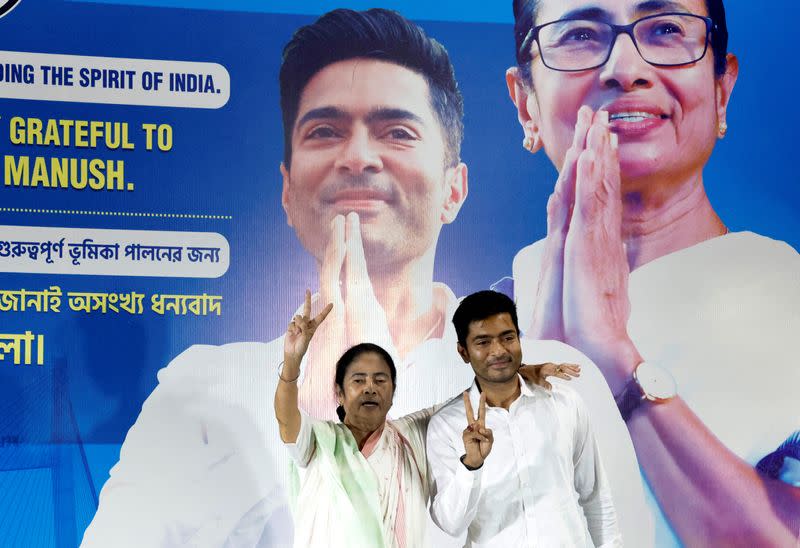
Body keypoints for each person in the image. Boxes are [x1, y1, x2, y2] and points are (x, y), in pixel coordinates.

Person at [81, 9, 591, 547]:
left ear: (454, 190)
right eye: (325, 131)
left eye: (397, 131)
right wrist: (321, 405)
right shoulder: (202, 391)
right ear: (287, 190)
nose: (357, 157)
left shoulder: (532, 389)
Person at [506, 0, 800, 545]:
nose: (625, 68)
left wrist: (613, 358)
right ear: (525, 103)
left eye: (666, 29)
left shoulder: (789, 298)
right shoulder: (473, 327)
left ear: (720, 90)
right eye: (580, 35)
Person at [277, 290, 576, 547]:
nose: (370, 387)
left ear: (393, 393)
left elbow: (473, 396)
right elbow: (287, 419)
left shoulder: (410, 435)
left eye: (380, 380)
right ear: (339, 394)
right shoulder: (319, 442)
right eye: (359, 380)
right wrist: (292, 363)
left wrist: (520, 372)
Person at [427, 290, 622, 547]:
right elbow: (450, 524)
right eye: (483, 342)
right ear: (463, 352)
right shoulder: (446, 425)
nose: (498, 351)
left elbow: (596, 498)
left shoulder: (564, 403)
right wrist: (471, 466)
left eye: (507, 337)